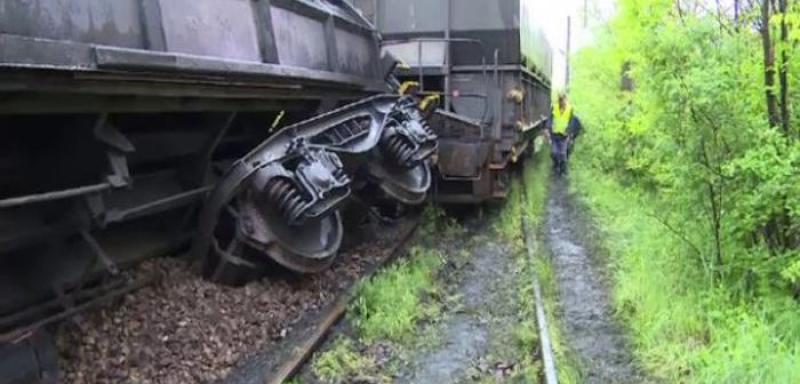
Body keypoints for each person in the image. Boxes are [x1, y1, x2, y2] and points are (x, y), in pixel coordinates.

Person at [545, 91, 582, 176]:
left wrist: (569, 133)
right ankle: (555, 166)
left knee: (562, 154)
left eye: (563, 100)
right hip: (554, 134)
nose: (562, 102)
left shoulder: (570, 109)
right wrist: (547, 128)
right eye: (560, 100)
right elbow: (550, 119)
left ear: (566, 100)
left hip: (564, 136)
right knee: (554, 153)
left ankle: (562, 170)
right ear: (559, 100)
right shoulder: (554, 107)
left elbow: (571, 121)